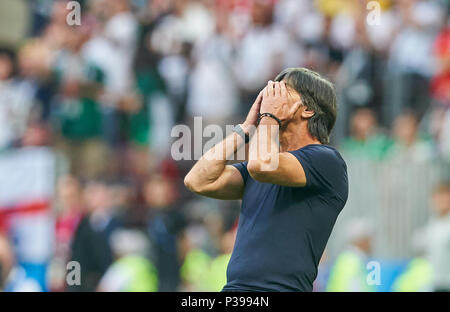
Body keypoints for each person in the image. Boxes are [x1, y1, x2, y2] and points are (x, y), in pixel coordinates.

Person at [184, 67, 348, 292]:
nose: (271, 96)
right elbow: (198, 180)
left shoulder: (326, 161)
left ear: (308, 109)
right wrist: (245, 129)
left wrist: (269, 117)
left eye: (283, 91)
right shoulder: (260, 167)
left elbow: (261, 165)